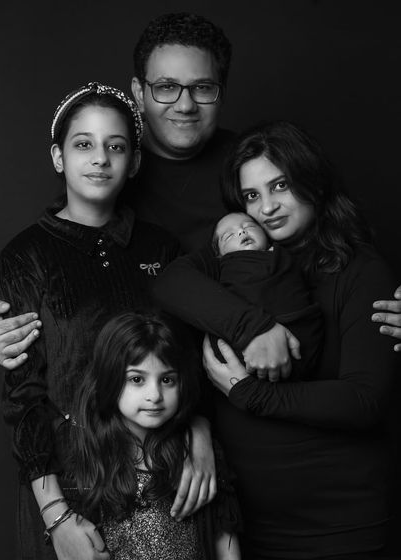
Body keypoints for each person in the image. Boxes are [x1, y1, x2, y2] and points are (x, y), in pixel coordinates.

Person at [0, 12, 401, 373]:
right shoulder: (109, 171)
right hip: (151, 397)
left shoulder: (251, 167)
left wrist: (379, 303)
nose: (185, 105)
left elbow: (329, 243)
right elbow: (61, 271)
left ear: (221, 92)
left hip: (260, 378)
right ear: (139, 92)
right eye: (167, 87)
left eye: (202, 87)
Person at [153, 121, 399, 559]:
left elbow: (364, 402)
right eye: (251, 195)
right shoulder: (240, 251)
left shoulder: (362, 271)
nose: (266, 207)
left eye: (280, 185)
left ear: (312, 180)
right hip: (250, 526)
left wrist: (251, 394)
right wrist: (253, 328)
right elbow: (170, 282)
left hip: (342, 527)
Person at [0, 82, 214, 560]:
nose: (99, 159)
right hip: (66, 490)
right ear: (59, 157)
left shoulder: (161, 248)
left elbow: (188, 363)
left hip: (161, 484)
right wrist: (57, 517)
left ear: (133, 161)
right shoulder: (26, 256)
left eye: (115, 146)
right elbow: (23, 396)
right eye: (83, 144)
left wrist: (200, 433)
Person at [67, 309, 241, 560]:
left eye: (167, 380)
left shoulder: (195, 453)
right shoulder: (88, 452)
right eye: (137, 379)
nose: (155, 395)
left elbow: (224, 536)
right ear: (110, 378)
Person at [207, 211, 323, 380]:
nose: (241, 232)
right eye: (229, 236)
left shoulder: (283, 257)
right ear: (220, 255)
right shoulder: (229, 269)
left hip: (297, 329)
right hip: (246, 346)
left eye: (250, 226)